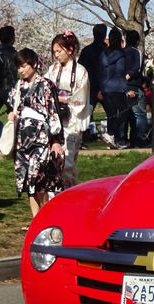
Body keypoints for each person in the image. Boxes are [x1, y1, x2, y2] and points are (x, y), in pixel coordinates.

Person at [7, 48, 64, 227]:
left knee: (38, 176)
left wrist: (55, 140)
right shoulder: (18, 87)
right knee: (26, 179)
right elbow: (13, 107)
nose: (21, 70)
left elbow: (54, 113)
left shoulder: (46, 85)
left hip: (41, 137)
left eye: (23, 66)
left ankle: (46, 216)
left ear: (33, 64)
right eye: (19, 67)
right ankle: (36, 219)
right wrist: (12, 115)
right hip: (22, 138)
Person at [45, 31, 91, 189]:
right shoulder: (52, 70)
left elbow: (81, 98)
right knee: (54, 158)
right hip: (55, 119)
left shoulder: (80, 72)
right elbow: (44, 89)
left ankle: (70, 191)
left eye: (59, 51)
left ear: (70, 49)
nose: (56, 55)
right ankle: (57, 191)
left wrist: (61, 99)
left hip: (72, 120)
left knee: (68, 160)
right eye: (54, 52)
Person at [99, 28, 129, 150]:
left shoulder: (103, 54)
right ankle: (115, 136)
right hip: (117, 87)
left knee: (111, 113)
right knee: (123, 112)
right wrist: (126, 88)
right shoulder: (120, 54)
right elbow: (121, 72)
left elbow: (100, 71)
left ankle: (111, 136)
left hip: (105, 87)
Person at [124, 30, 148, 148]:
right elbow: (137, 68)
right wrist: (128, 75)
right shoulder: (136, 52)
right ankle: (140, 140)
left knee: (127, 115)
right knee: (140, 115)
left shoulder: (121, 52)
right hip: (134, 85)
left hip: (122, 87)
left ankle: (127, 140)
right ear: (137, 41)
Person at [78, 24, 107, 111]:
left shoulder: (86, 50)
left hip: (89, 86)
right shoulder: (108, 50)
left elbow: (80, 68)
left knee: (86, 115)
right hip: (105, 87)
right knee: (113, 115)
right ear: (105, 34)